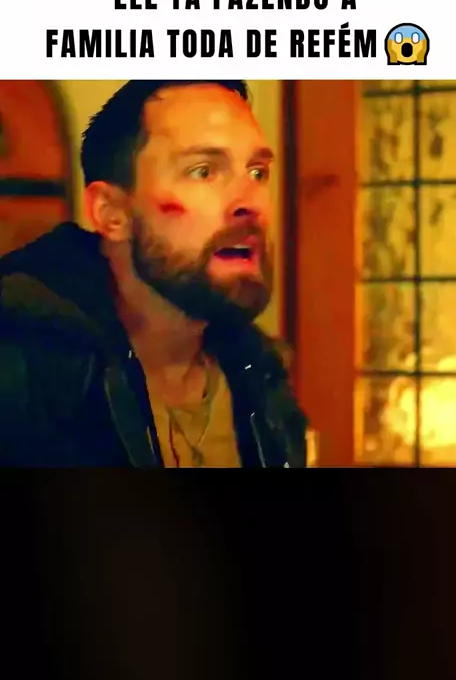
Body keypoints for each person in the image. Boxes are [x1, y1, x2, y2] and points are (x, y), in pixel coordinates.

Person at [0, 80, 308, 467]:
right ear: (112, 213)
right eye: (203, 171)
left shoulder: (262, 378)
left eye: (257, 172)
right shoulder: (24, 371)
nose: (250, 203)